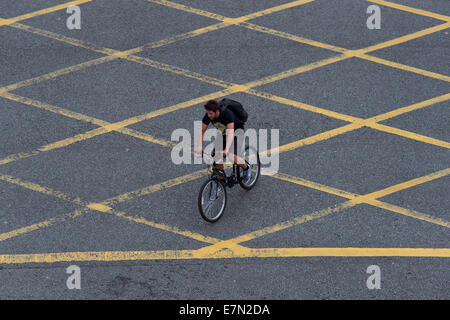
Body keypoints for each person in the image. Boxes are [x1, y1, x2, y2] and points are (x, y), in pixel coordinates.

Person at [196, 99, 252, 183]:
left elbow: (230, 133)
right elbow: (202, 131)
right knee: (217, 156)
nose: (209, 115)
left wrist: (226, 149)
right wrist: (200, 146)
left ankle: (246, 168)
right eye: (207, 113)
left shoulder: (227, 114)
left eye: (211, 113)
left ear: (217, 111)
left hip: (236, 131)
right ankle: (221, 181)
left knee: (231, 156)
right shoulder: (208, 115)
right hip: (223, 132)